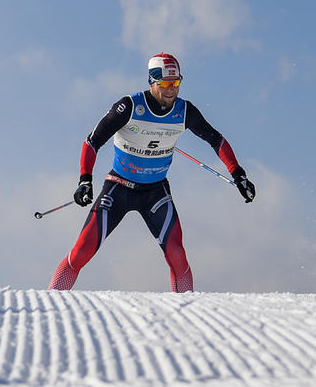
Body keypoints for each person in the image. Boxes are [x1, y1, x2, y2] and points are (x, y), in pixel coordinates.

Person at [48, 53, 255, 292]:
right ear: (152, 81)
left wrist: (239, 174)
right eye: (166, 83)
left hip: (155, 192)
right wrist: (85, 180)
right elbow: (92, 142)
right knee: (82, 251)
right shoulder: (129, 106)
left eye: (176, 83)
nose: (171, 90)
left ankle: (188, 316)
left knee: (178, 256)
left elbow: (217, 141)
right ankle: (51, 300)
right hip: (119, 186)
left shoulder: (185, 111)